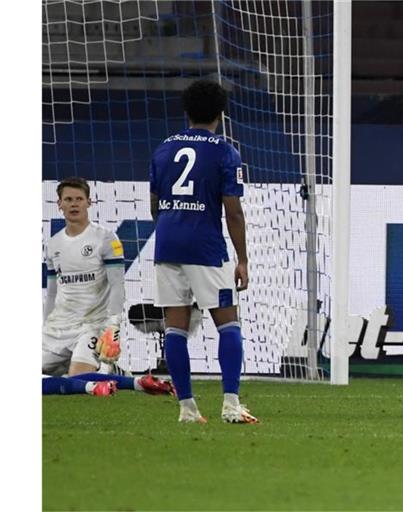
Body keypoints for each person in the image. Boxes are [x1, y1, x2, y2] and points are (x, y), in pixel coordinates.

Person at [150, 79, 256, 424]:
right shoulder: (225, 151)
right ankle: (230, 404)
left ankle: (187, 409)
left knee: (176, 327)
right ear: (221, 114)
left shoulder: (164, 149)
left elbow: (155, 205)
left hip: (167, 243)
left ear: (186, 111)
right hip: (206, 247)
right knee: (228, 323)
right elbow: (233, 210)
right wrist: (241, 258)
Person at [43, 177, 175, 396]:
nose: (74, 204)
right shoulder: (53, 244)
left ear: (89, 203)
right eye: (68, 199)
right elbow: (52, 292)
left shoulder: (105, 238)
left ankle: (118, 376)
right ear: (59, 204)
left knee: (76, 378)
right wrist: (45, 326)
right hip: (59, 327)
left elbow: (117, 285)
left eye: (79, 199)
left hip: (91, 325)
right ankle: (108, 369)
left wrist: (112, 327)